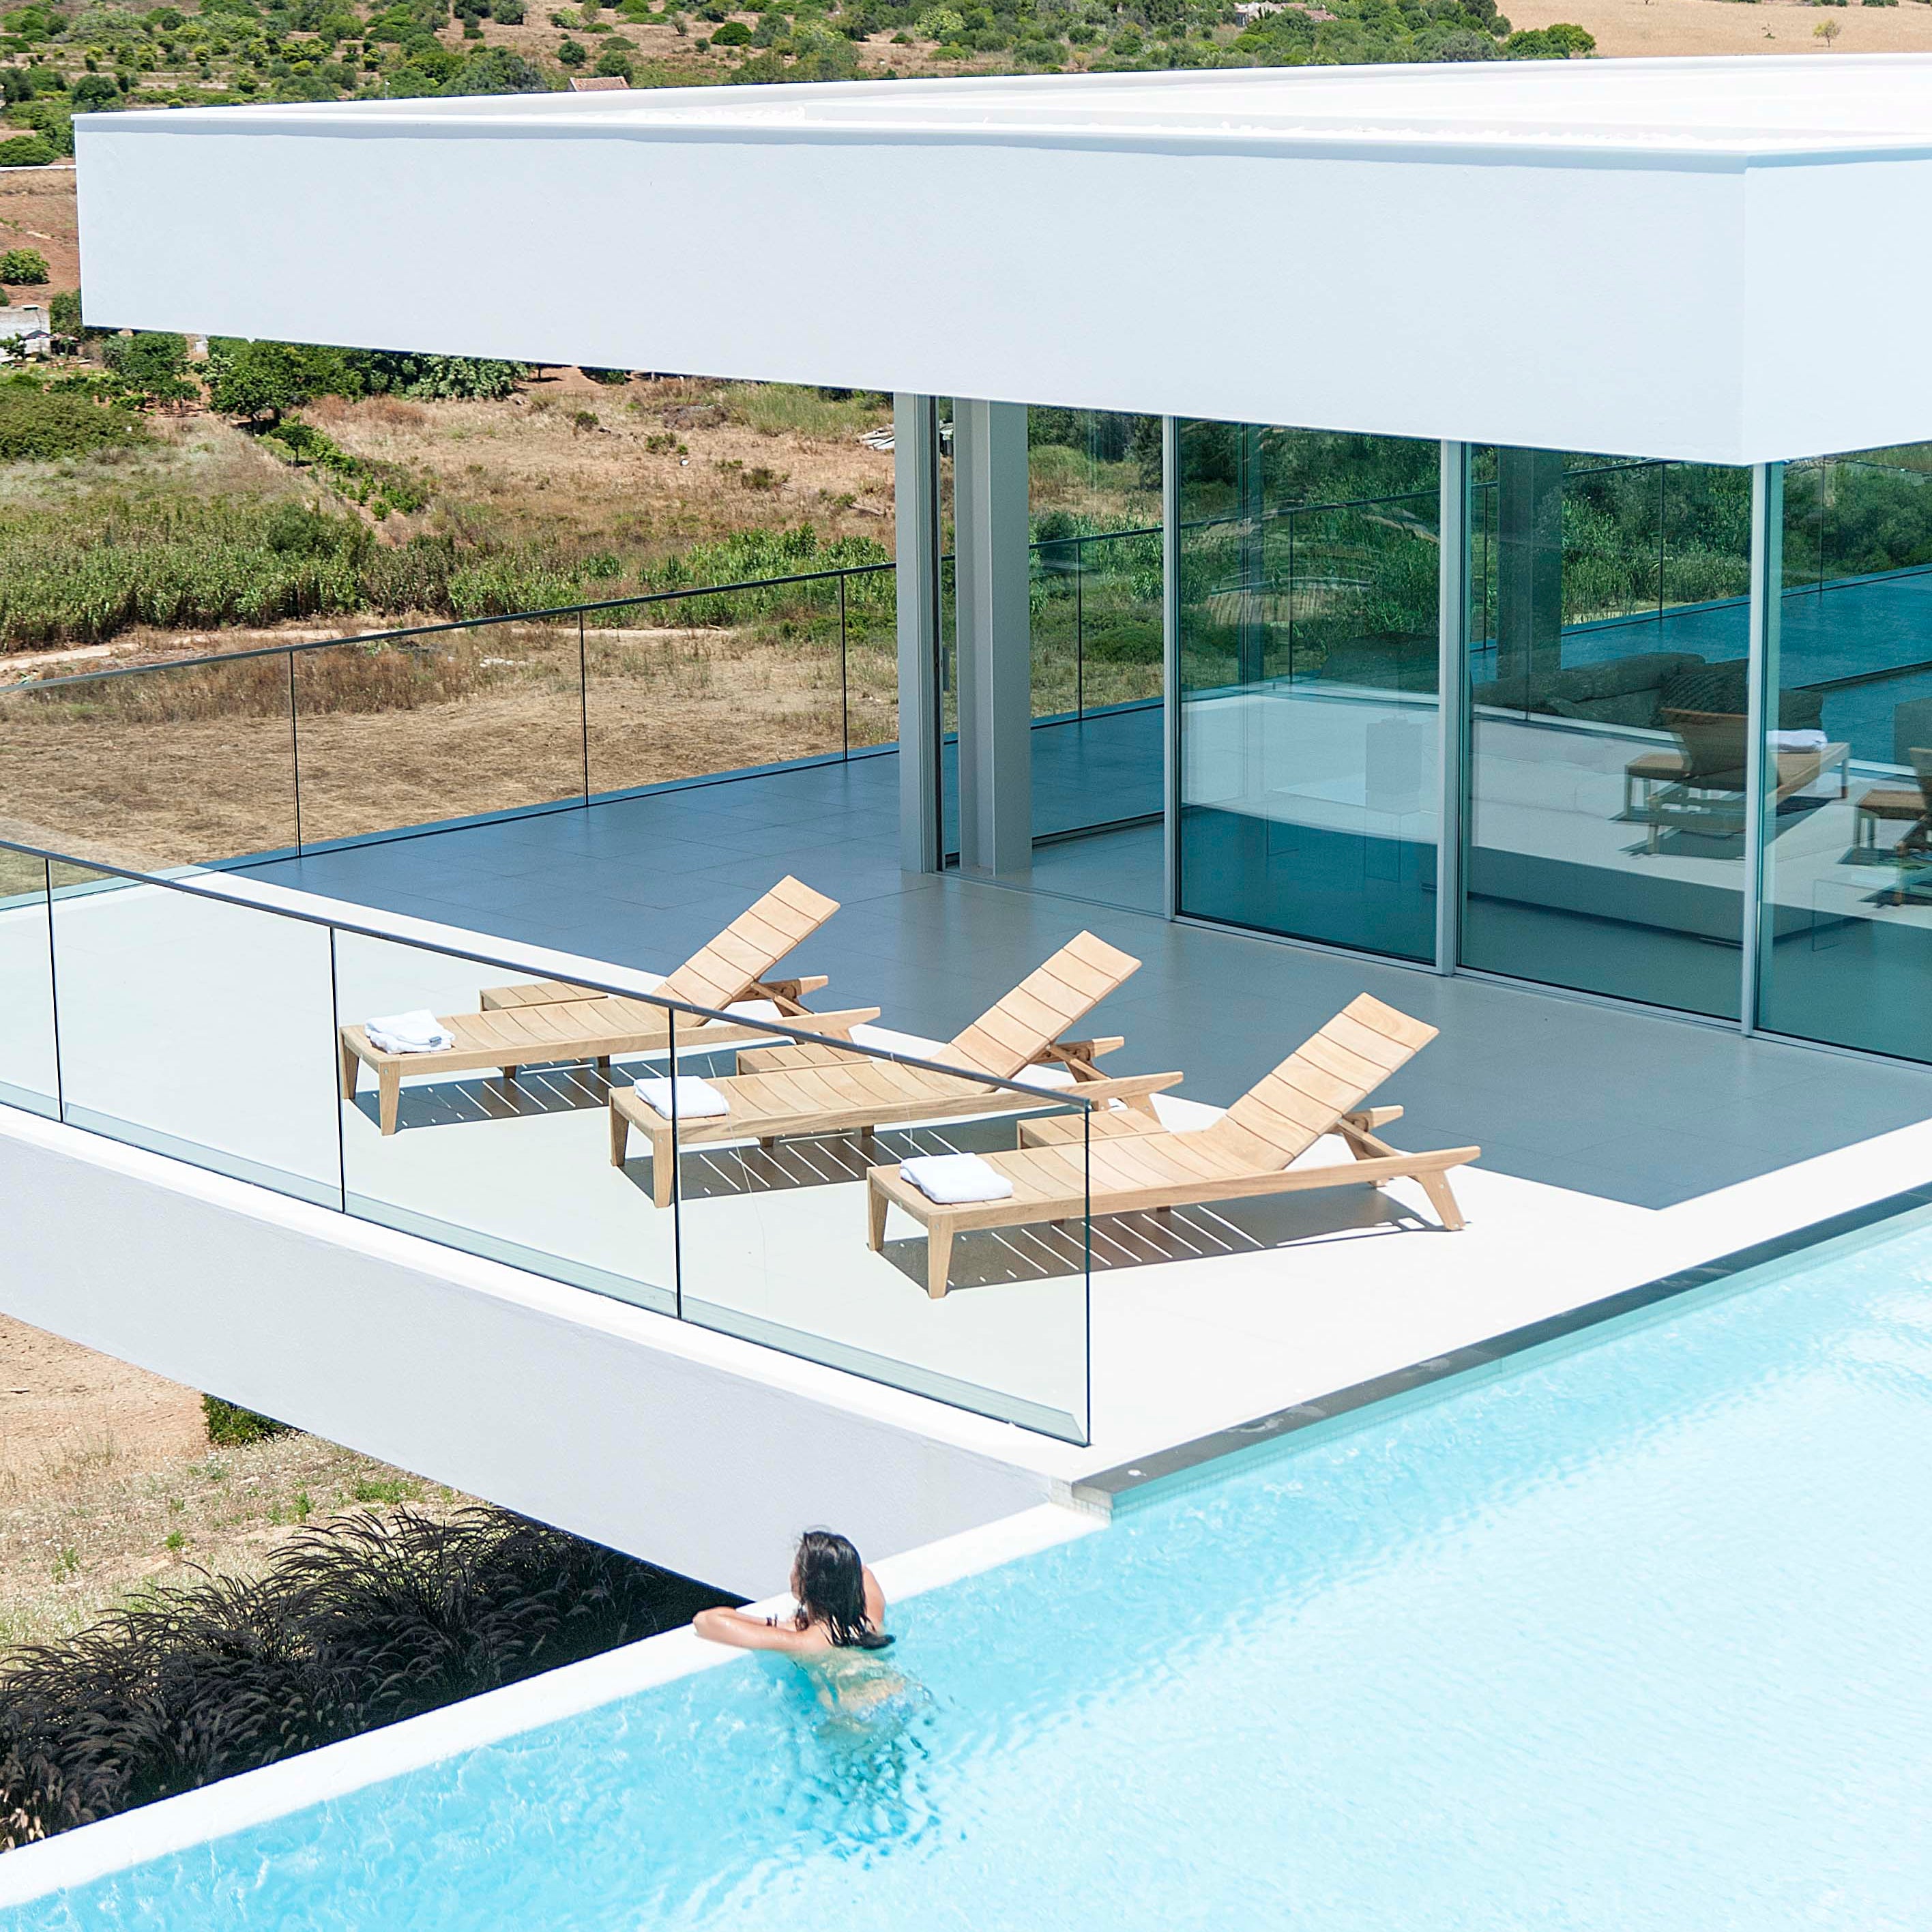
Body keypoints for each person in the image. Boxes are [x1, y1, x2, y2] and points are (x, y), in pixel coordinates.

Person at [693, 1529, 894, 1658]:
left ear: (806, 1584)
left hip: (855, 1712)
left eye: (797, 1566)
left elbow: (706, 1621)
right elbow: (862, 1571)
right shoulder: (869, 1621)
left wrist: (778, 1625)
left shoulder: (804, 1642)